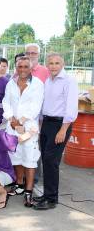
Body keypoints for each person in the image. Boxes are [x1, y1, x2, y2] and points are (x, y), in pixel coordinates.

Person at [34, 53, 78, 210]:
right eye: (50, 63)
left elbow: (71, 108)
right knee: (46, 159)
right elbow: (44, 103)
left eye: (56, 63)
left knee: (51, 161)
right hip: (46, 123)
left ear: (63, 64)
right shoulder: (48, 81)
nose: (53, 66)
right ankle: (47, 194)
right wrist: (40, 124)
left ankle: (51, 199)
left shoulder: (69, 81)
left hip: (60, 125)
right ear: (47, 65)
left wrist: (63, 130)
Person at [2, 56, 44, 207]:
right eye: (20, 67)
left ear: (31, 68)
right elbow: (6, 102)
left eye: (26, 67)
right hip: (12, 126)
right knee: (16, 157)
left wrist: (20, 121)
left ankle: (28, 191)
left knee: (30, 159)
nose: (23, 70)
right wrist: (11, 118)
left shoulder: (38, 84)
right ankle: (19, 185)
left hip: (28, 128)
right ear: (16, 67)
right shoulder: (10, 83)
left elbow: (35, 106)